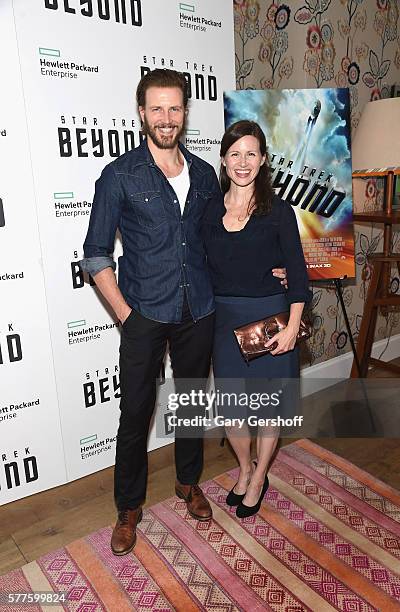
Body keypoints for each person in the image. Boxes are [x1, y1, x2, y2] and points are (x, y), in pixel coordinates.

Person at [81, 70, 287, 555]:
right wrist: (125, 315)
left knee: (192, 404)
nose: (166, 118)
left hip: (199, 310)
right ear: (141, 113)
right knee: (135, 414)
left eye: (175, 108)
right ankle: (129, 508)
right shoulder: (120, 175)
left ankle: (188, 482)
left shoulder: (202, 176)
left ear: (185, 114)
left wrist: (273, 268)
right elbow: (95, 255)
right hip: (143, 312)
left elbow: (228, 238)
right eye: (157, 108)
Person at [203, 120, 311, 518]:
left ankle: (260, 474)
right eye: (235, 153)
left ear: (263, 159)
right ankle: (245, 468)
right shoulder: (209, 209)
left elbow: (297, 274)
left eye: (251, 153)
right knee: (232, 408)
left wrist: (293, 327)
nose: (243, 161)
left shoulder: (278, 212)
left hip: (270, 322)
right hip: (224, 321)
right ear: (224, 158)